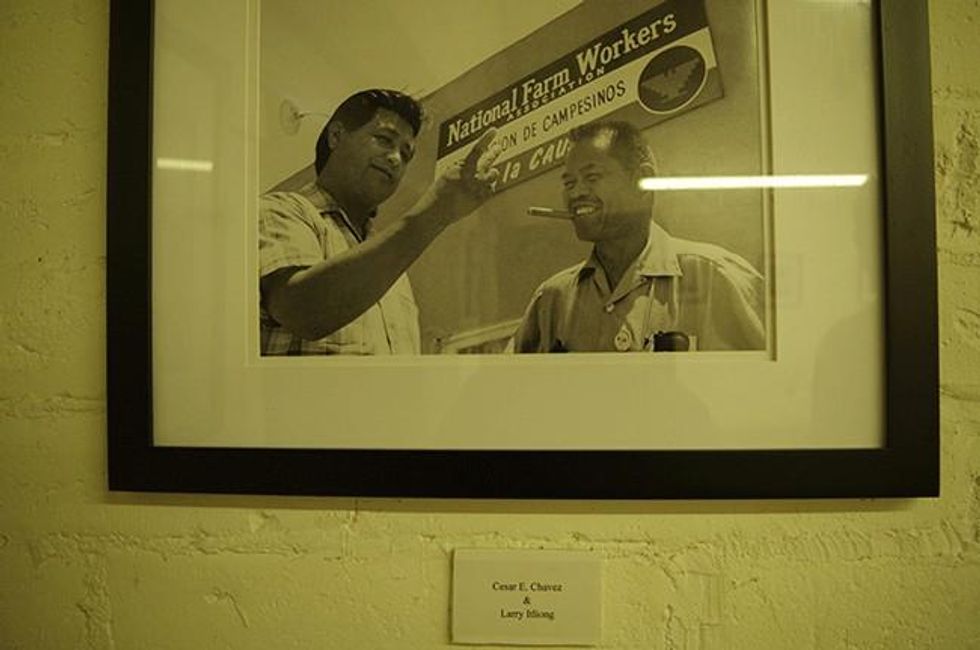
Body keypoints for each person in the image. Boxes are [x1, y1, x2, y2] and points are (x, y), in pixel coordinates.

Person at [259, 89, 498, 355]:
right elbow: (302, 311)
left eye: (406, 154)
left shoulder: (395, 274)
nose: (396, 158)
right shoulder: (279, 210)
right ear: (336, 136)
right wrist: (435, 213)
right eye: (384, 139)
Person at [511, 120, 765, 353]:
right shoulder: (552, 299)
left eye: (592, 177)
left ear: (644, 180)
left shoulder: (715, 277)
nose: (576, 193)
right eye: (569, 183)